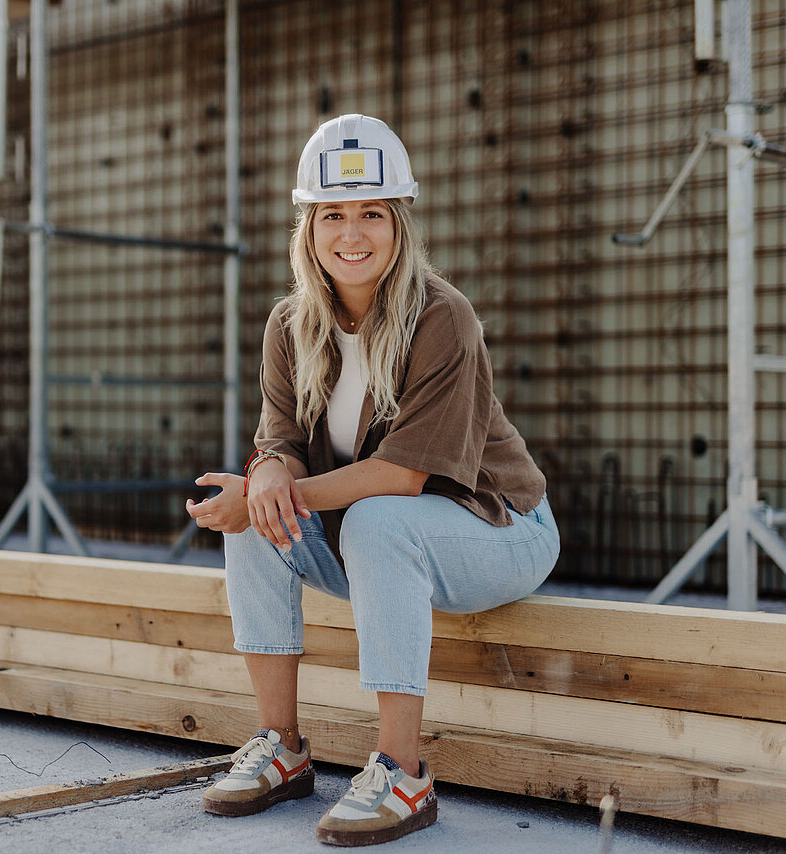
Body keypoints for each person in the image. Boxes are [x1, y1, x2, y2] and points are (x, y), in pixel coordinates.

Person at [184, 114, 559, 847]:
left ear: (400, 225)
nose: (352, 234)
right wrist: (265, 476)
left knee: (372, 517)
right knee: (262, 522)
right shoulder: (290, 324)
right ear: (309, 228)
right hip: (390, 542)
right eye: (333, 216)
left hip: (500, 531)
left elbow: (405, 474)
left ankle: (404, 773)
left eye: (372, 214)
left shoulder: (442, 318)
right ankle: (282, 748)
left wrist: (270, 489)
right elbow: (282, 441)